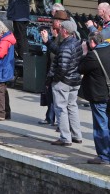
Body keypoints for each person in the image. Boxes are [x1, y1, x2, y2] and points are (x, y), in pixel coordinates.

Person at [42, 14, 83, 146]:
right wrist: (48, 41)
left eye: (60, 30)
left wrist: (55, 80)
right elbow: (60, 52)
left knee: (61, 108)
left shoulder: (66, 46)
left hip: (64, 82)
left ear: (64, 31)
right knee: (72, 107)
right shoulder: (75, 43)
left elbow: (62, 66)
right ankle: (77, 135)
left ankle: (65, 138)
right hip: (74, 81)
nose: (58, 31)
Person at [78, 31, 110, 164]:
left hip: (98, 96)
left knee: (100, 125)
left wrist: (84, 52)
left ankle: (104, 155)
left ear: (92, 42)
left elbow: (80, 68)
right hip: (108, 94)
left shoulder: (92, 55)